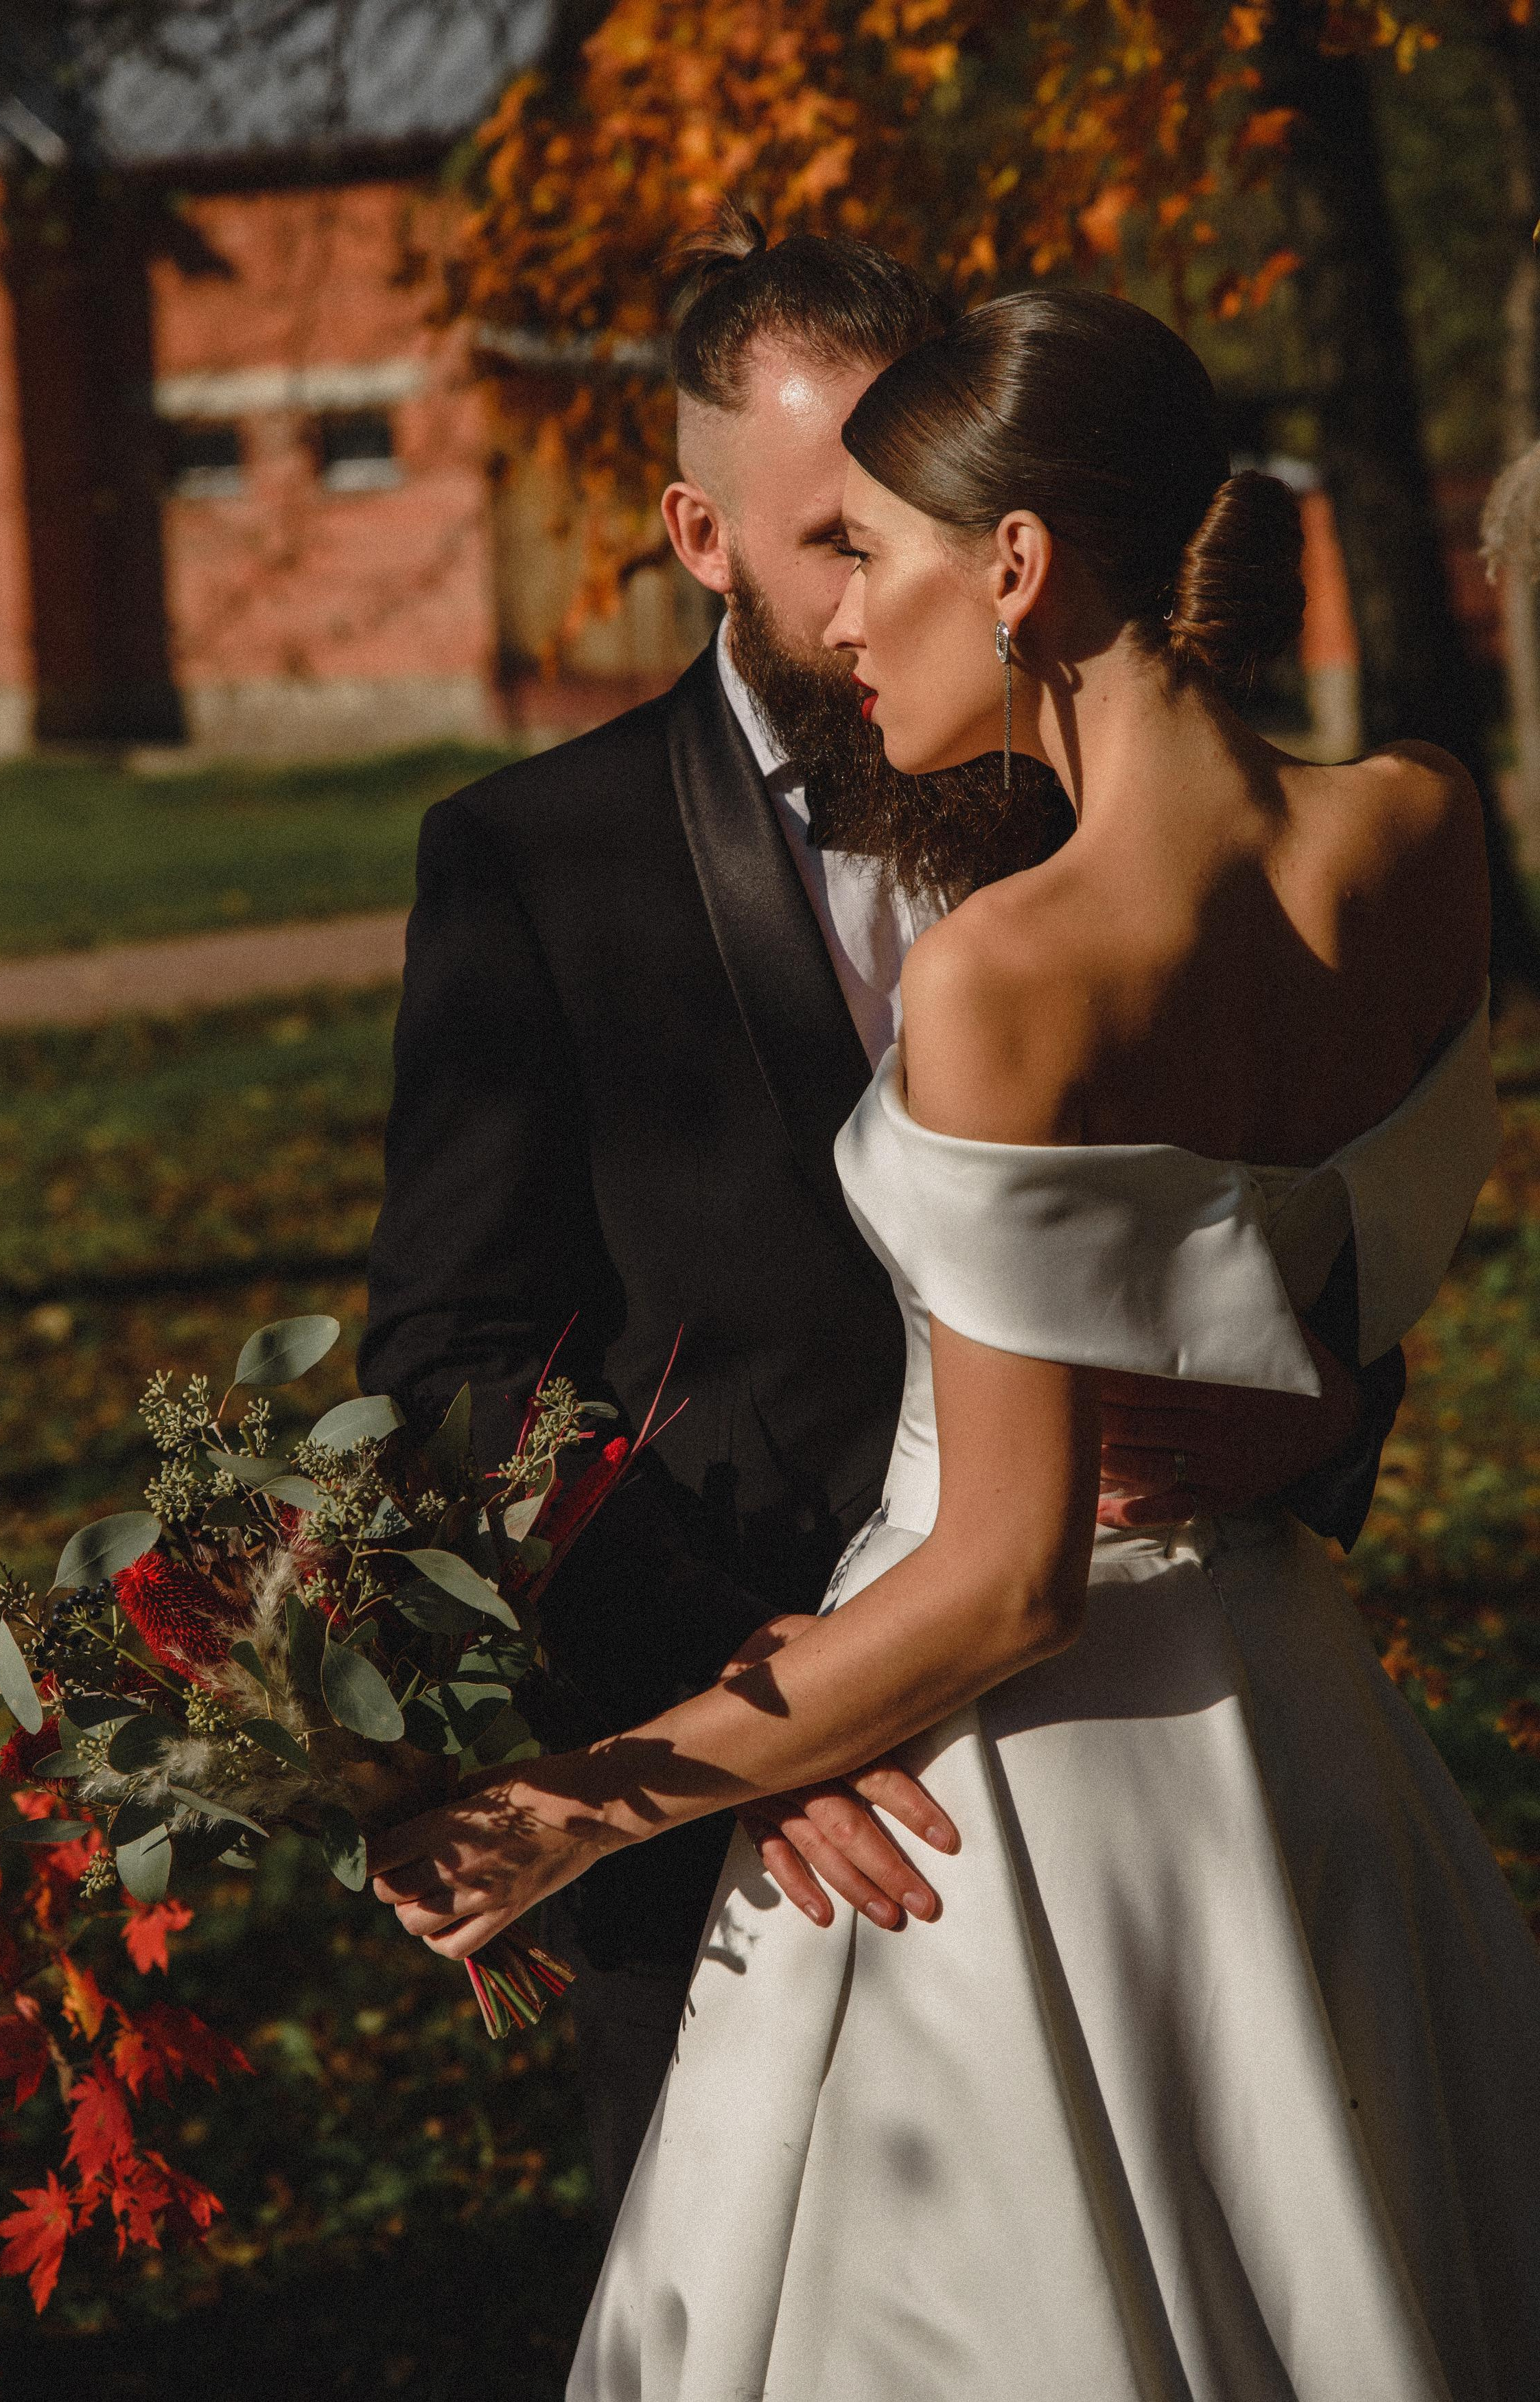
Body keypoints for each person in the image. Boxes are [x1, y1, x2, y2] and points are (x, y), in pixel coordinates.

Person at [371, 286, 1540, 2396]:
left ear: (1016, 564)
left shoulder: (1009, 967)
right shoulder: (1434, 827)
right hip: (1306, 1745)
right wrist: (1289, 1424)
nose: (850, 617)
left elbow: (1010, 1570)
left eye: (882, 553)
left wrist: (575, 1802)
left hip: (1007, 1811)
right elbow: (1322, 1255)